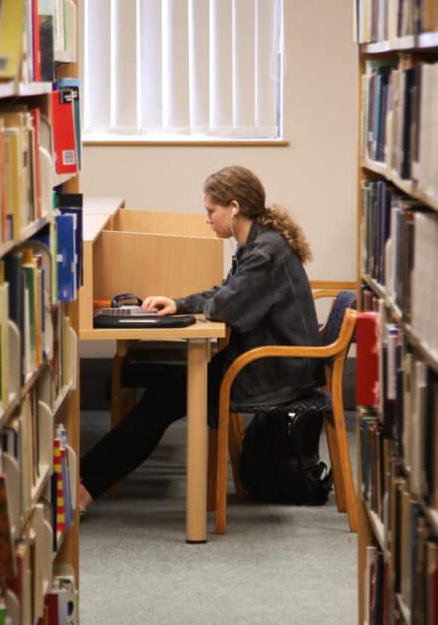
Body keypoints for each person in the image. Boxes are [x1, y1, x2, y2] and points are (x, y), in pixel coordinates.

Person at [78, 165, 323, 511]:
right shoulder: (259, 242)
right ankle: (87, 479)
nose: (207, 219)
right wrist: (178, 304)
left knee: (161, 401)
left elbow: (226, 307)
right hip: (263, 359)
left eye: (211, 211)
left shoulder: (265, 252)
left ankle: (86, 483)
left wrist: (195, 305)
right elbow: (226, 293)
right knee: (161, 393)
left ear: (234, 208)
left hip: (273, 371)